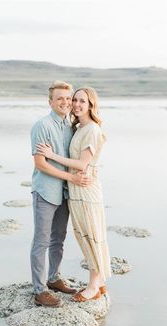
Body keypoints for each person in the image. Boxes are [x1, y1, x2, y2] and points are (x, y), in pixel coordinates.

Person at [37, 87, 111, 302]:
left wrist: (52, 155)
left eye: (82, 101)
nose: (76, 105)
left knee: (92, 236)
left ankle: (93, 287)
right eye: (75, 100)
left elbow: (82, 164)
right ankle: (99, 283)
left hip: (86, 189)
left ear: (91, 105)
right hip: (76, 189)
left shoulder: (92, 130)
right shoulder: (79, 127)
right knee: (84, 236)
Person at [30, 81, 92, 308]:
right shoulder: (42, 126)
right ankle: (39, 291)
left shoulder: (70, 126)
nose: (66, 102)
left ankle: (54, 278)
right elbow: (40, 164)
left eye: (69, 98)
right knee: (41, 241)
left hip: (64, 193)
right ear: (50, 102)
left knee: (59, 240)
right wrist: (72, 178)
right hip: (46, 192)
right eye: (60, 99)